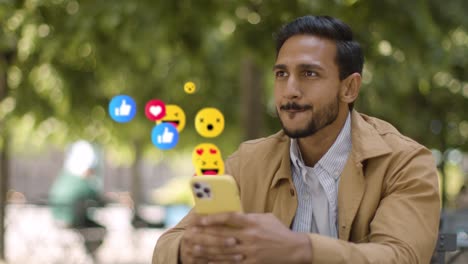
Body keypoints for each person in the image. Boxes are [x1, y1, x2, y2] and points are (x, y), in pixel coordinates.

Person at [153, 15, 440, 263]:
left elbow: (402, 257)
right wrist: (187, 250)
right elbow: (168, 245)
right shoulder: (247, 162)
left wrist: (302, 249)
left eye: (309, 73)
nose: (290, 90)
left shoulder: (404, 163)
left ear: (349, 88)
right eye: (281, 74)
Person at [49, 140, 105, 229]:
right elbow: (96, 197)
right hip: (74, 219)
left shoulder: (64, 178)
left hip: (58, 217)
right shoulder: (82, 183)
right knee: (98, 229)